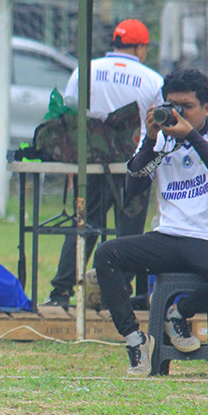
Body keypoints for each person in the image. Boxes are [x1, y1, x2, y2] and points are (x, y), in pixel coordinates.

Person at [94, 68, 208, 377]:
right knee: (106, 254)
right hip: (169, 235)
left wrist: (191, 136)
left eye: (186, 107)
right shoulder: (159, 139)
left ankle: (179, 313)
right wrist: (150, 139)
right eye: (171, 106)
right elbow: (132, 189)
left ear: (206, 107)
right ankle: (136, 340)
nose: (177, 114)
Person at [43, 19, 164, 308]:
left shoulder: (85, 70)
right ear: (140, 47)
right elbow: (159, 123)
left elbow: (70, 111)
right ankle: (121, 292)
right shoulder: (151, 79)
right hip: (135, 166)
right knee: (130, 232)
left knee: (85, 224)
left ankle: (61, 292)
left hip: (93, 164)